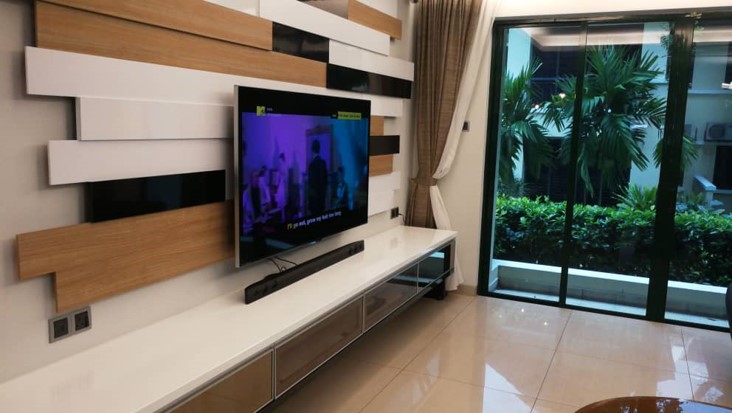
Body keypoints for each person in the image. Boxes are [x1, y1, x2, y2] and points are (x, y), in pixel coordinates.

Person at [307, 139, 328, 215]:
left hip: (314, 201)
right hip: (321, 200)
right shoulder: (323, 163)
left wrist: (309, 202)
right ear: (319, 149)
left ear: (312, 150)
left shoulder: (312, 164)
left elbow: (311, 184)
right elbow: (325, 181)